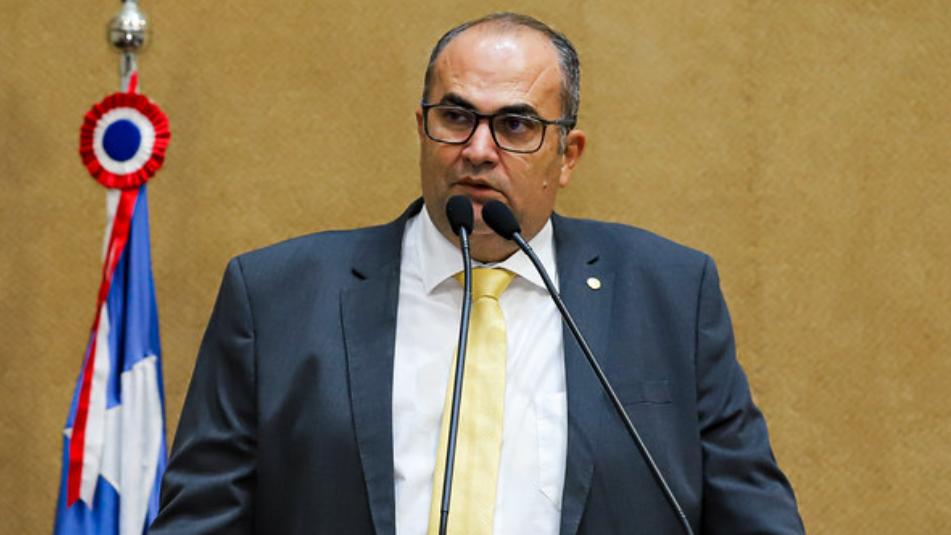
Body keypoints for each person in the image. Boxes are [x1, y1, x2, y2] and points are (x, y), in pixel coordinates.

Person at [150, 12, 804, 535]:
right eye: (456, 117)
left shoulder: (669, 295)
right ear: (421, 127)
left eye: (516, 124)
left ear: (567, 155)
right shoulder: (276, 298)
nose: (478, 150)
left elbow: (755, 517)